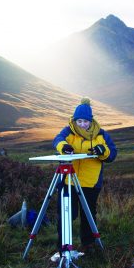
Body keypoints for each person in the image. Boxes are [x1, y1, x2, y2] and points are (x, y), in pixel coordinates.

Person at [52, 97, 117, 253]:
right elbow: (57, 140)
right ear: (75, 120)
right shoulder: (68, 131)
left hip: (91, 182)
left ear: (91, 121)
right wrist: (64, 147)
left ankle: (88, 245)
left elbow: (112, 154)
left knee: (88, 215)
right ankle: (63, 247)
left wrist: (102, 151)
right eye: (79, 121)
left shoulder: (101, 134)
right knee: (66, 213)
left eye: (85, 121)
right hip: (68, 181)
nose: (82, 124)